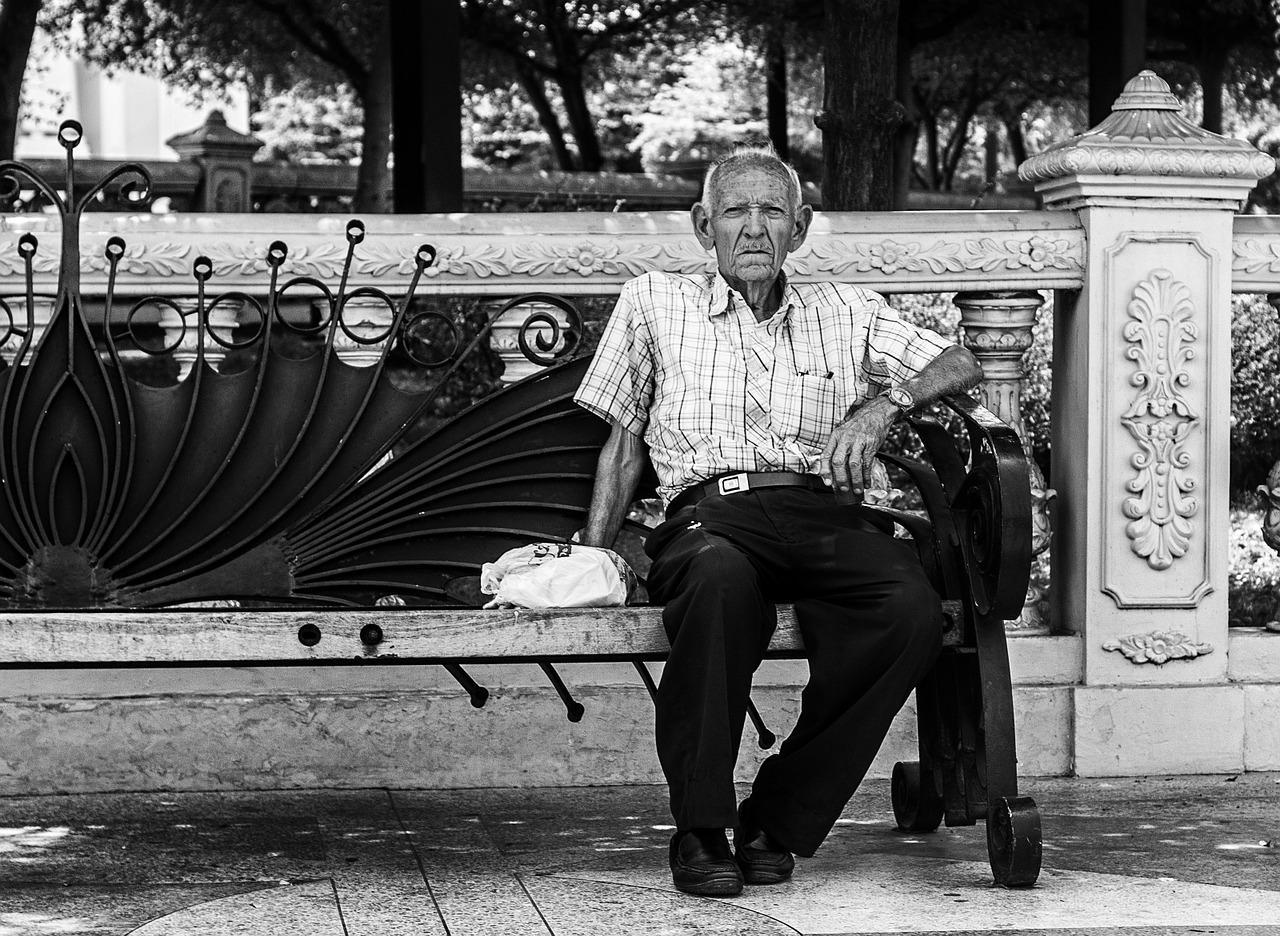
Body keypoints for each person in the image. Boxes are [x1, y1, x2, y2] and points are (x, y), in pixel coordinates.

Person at [572, 145, 984, 897]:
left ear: (801, 226)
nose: (754, 228)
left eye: (772, 211)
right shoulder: (654, 302)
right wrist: (594, 561)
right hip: (711, 514)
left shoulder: (846, 308)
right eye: (736, 211)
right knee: (719, 581)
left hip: (823, 510)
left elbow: (960, 362)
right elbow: (622, 440)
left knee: (909, 610)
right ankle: (701, 827)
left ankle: (777, 818)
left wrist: (884, 404)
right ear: (704, 226)